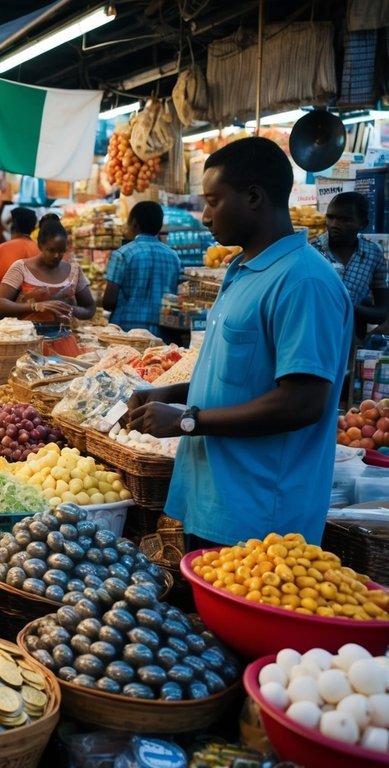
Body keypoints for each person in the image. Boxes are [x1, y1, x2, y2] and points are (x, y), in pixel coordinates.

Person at [126, 136, 352, 549]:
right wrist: (170, 392)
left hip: (263, 517)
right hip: (216, 500)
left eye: (214, 201)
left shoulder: (304, 282)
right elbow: (239, 378)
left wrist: (186, 420)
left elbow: (301, 402)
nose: (206, 217)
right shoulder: (244, 270)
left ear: (252, 197)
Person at [0, 218, 96, 332]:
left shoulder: (74, 271)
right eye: (51, 250)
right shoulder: (21, 268)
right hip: (27, 338)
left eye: (61, 250)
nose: (57, 255)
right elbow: (0, 306)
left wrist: (70, 309)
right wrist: (35, 306)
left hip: (63, 338)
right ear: (40, 246)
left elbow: (90, 308)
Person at [312, 191, 389, 336]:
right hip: (315, 340)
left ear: (363, 224)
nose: (335, 224)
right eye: (331, 217)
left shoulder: (373, 254)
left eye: (345, 220)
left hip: (352, 342)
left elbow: (382, 312)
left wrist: (350, 306)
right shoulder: (312, 252)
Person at [102, 201, 182, 336]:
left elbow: (109, 302)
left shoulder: (122, 254)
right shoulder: (174, 257)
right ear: (159, 226)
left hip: (126, 331)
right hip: (162, 331)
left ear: (134, 224)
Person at [0, 206, 39, 311]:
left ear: (13, 226)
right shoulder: (40, 250)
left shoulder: (0, 250)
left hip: (6, 314)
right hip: (35, 311)